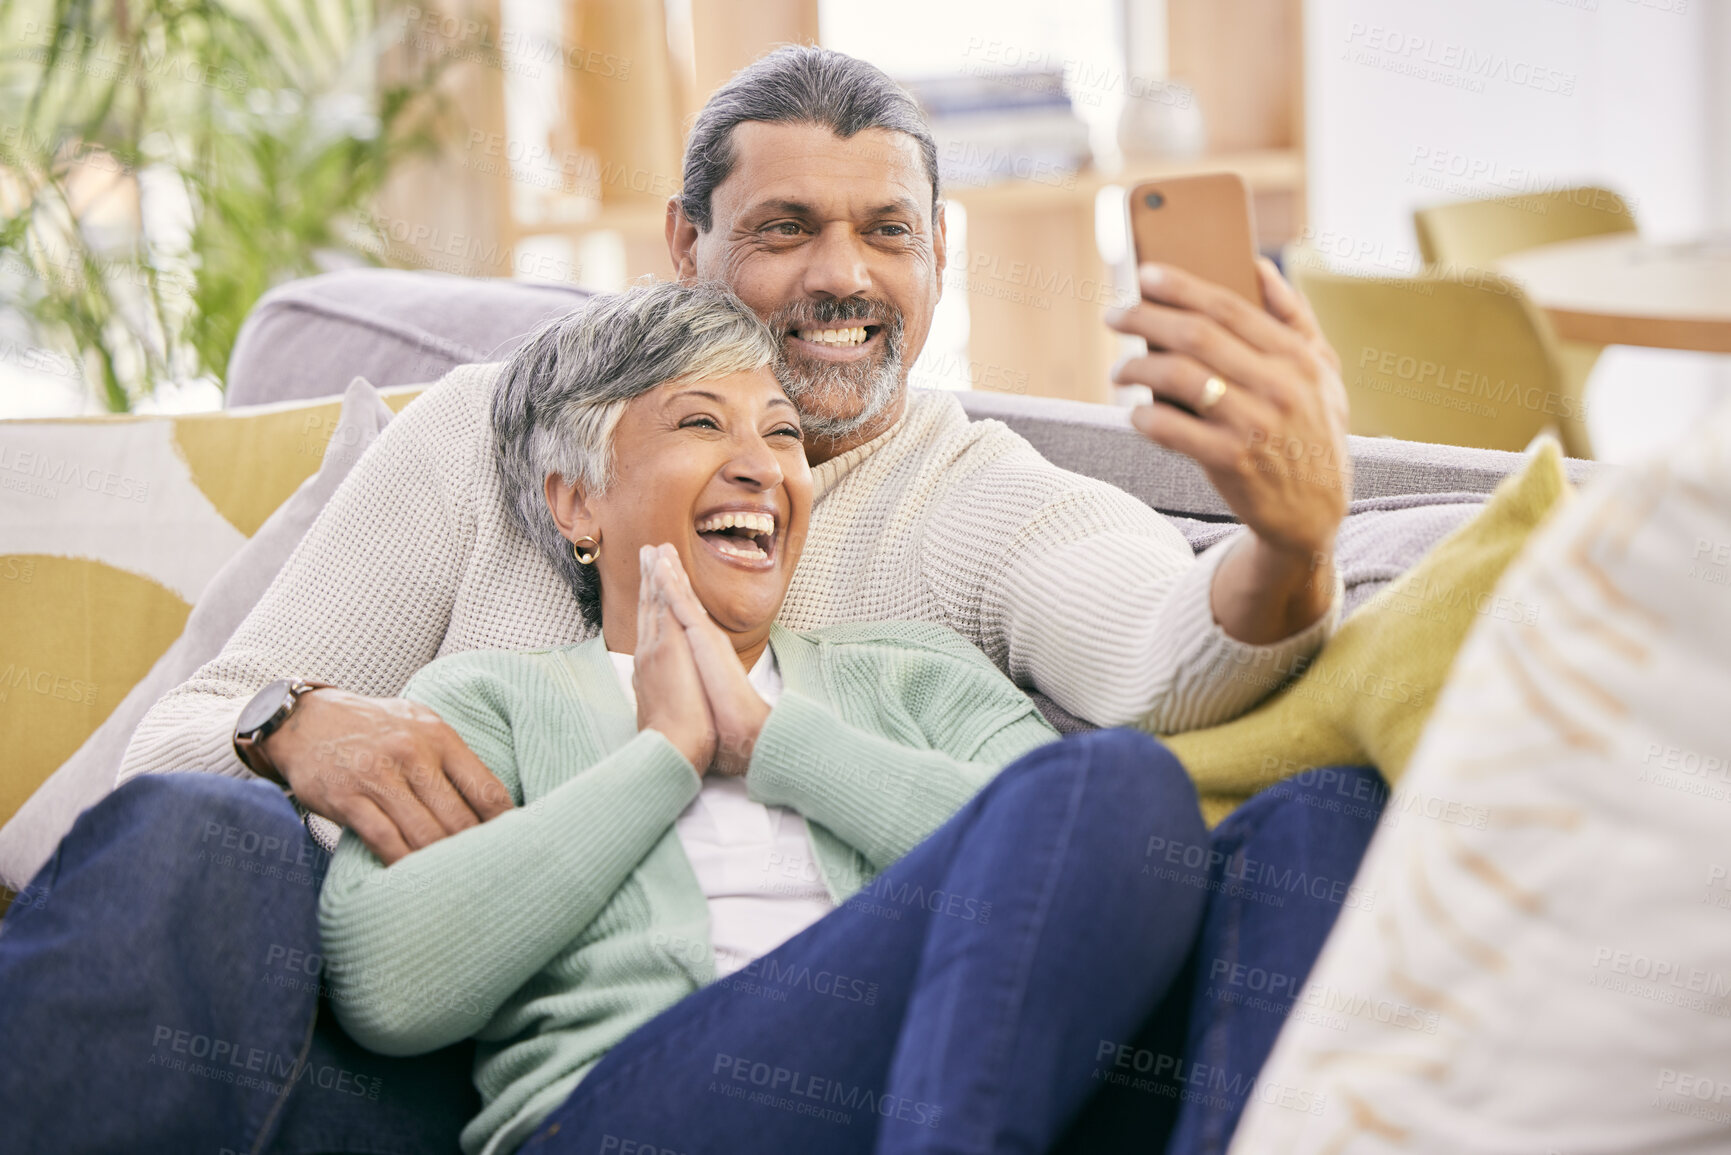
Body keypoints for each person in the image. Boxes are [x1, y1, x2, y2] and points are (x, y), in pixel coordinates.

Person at [0, 45, 1364, 1155]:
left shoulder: (971, 508)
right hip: (464, 1082)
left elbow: (1151, 660)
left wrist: (1290, 538)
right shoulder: (497, 440)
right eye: (784, 227)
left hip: (880, 1050)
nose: (841, 275)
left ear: (938, 254)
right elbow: (176, 776)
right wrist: (290, 724)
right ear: (682, 241)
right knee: (194, 825)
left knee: (1306, 817)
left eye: (884, 230)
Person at [318, 280, 1217, 1155]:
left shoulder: (920, 675)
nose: (761, 465)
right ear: (577, 501)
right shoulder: (490, 701)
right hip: (629, 1112)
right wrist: (665, 754)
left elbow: (1073, 852)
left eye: (781, 433)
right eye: (702, 422)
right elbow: (385, 985)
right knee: (1117, 783)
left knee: (1308, 817)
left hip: (943, 1092)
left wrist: (772, 741)